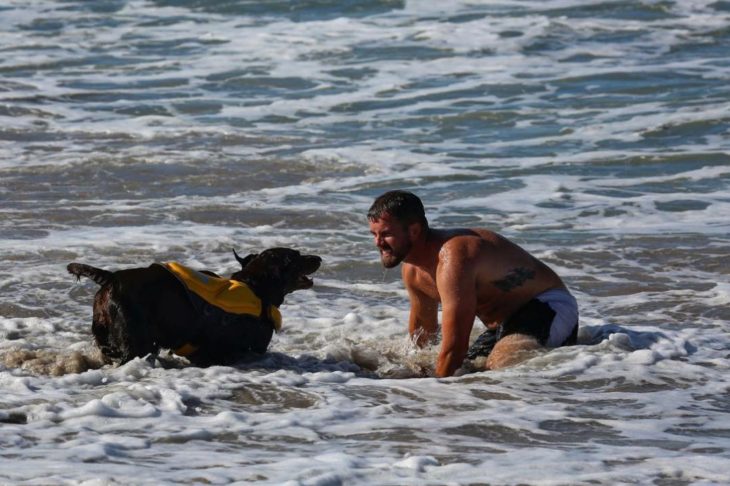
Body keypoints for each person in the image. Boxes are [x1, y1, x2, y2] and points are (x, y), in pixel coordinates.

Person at [367, 190, 578, 377]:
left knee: (496, 368)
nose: (378, 242)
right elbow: (423, 335)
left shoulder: (453, 257)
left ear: (414, 230)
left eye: (386, 234)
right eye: (374, 234)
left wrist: (431, 397)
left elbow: (455, 348)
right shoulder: (412, 270)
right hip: (504, 326)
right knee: (472, 369)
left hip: (549, 306)